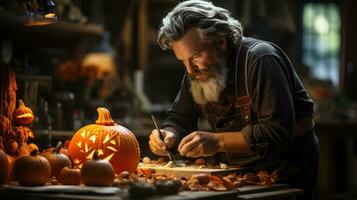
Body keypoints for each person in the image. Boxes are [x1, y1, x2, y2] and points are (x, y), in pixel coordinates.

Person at [148, 1, 319, 199]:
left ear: (220, 42)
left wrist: (218, 141)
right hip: (235, 172)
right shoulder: (196, 72)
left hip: (285, 169)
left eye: (195, 56)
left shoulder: (261, 59)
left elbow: (277, 132)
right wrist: (169, 134)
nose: (189, 70)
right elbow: (179, 118)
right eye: (183, 61)